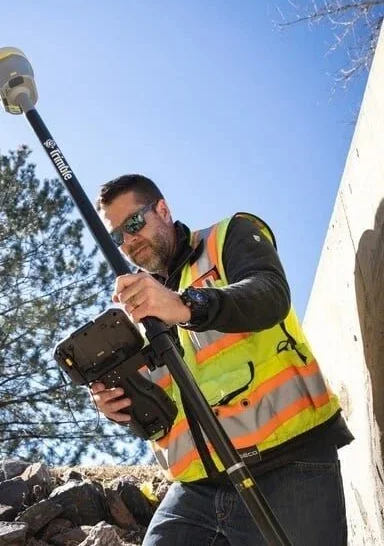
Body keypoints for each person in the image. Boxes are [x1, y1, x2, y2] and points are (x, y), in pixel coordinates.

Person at [91, 174, 352, 546]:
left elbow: (270, 294)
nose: (129, 241)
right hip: (198, 489)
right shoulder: (140, 311)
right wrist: (117, 405)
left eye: (133, 223)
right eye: (118, 236)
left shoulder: (228, 237)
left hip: (290, 465)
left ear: (162, 209)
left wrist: (186, 305)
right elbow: (160, 413)